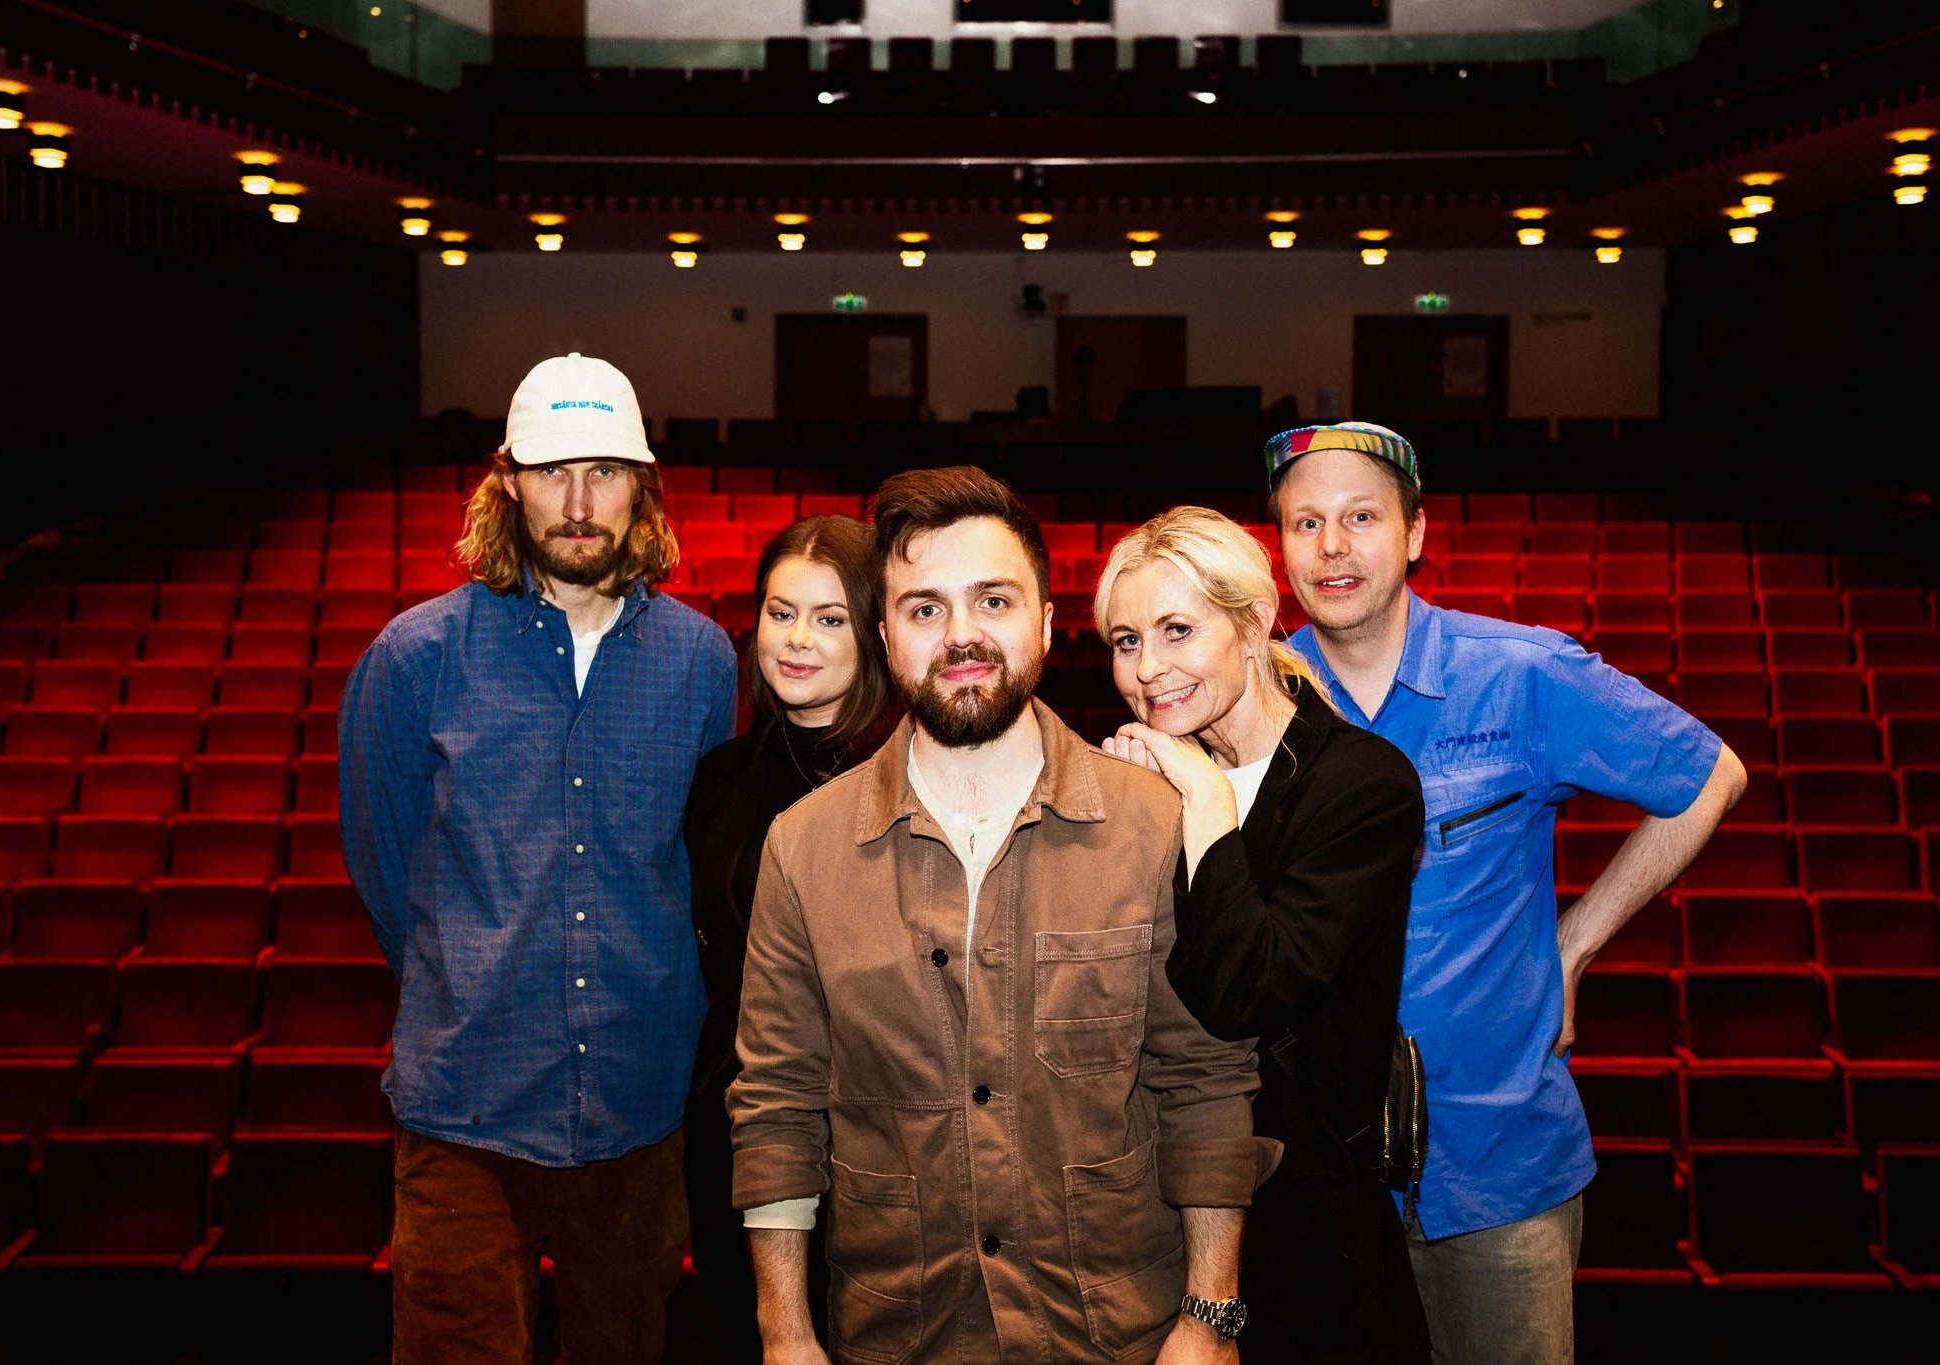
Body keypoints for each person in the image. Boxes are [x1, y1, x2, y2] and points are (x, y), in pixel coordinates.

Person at [727, 465, 1274, 1365]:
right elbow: (777, 1109)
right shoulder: (801, 847)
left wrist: (1209, 1315)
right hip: (895, 1336)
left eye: (993, 599)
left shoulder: (1154, 823)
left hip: (1115, 1337)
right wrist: (783, 1332)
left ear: (1049, 623)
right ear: (885, 635)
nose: (963, 635)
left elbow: (1207, 1083)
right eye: (925, 608)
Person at [1266, 423, 1748, 1365]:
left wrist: (1575, 945)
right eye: (1305, 522)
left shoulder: (1523, 674)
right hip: (1319, 1182)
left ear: (1413, 534)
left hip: (1498, 1170)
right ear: (1278, 547)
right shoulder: (1256, 698)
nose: (1331, 546)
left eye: (1361, 517)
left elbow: (1711, 776)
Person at [338, 353, 737, 1365]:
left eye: (604, 470)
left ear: (641, 485)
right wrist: (472, 982)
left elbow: (698, 862)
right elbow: (387, 872)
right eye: (553, 471)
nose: (577, 501)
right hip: (465, 1104)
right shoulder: (413, 657)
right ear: (507, 480)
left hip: (639, 1104)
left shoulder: (700, 659)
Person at [1094, 506, 1431, 1365]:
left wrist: (1206, 804)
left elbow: (1249, 988)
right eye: (1127, 640)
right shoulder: (1135, 783)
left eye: (1177, 629)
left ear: (1251, 623)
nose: (1149, 668)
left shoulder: (1362, 785)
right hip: (1151, 1216)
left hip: (1308, 1231)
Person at [681, 514, 895, 1361]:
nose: (797, 640)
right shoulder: (720, 778)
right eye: (780, 613)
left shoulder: (916, 770)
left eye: (829, 617)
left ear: (875, 632)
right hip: (740, 1137)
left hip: (882, 1147)